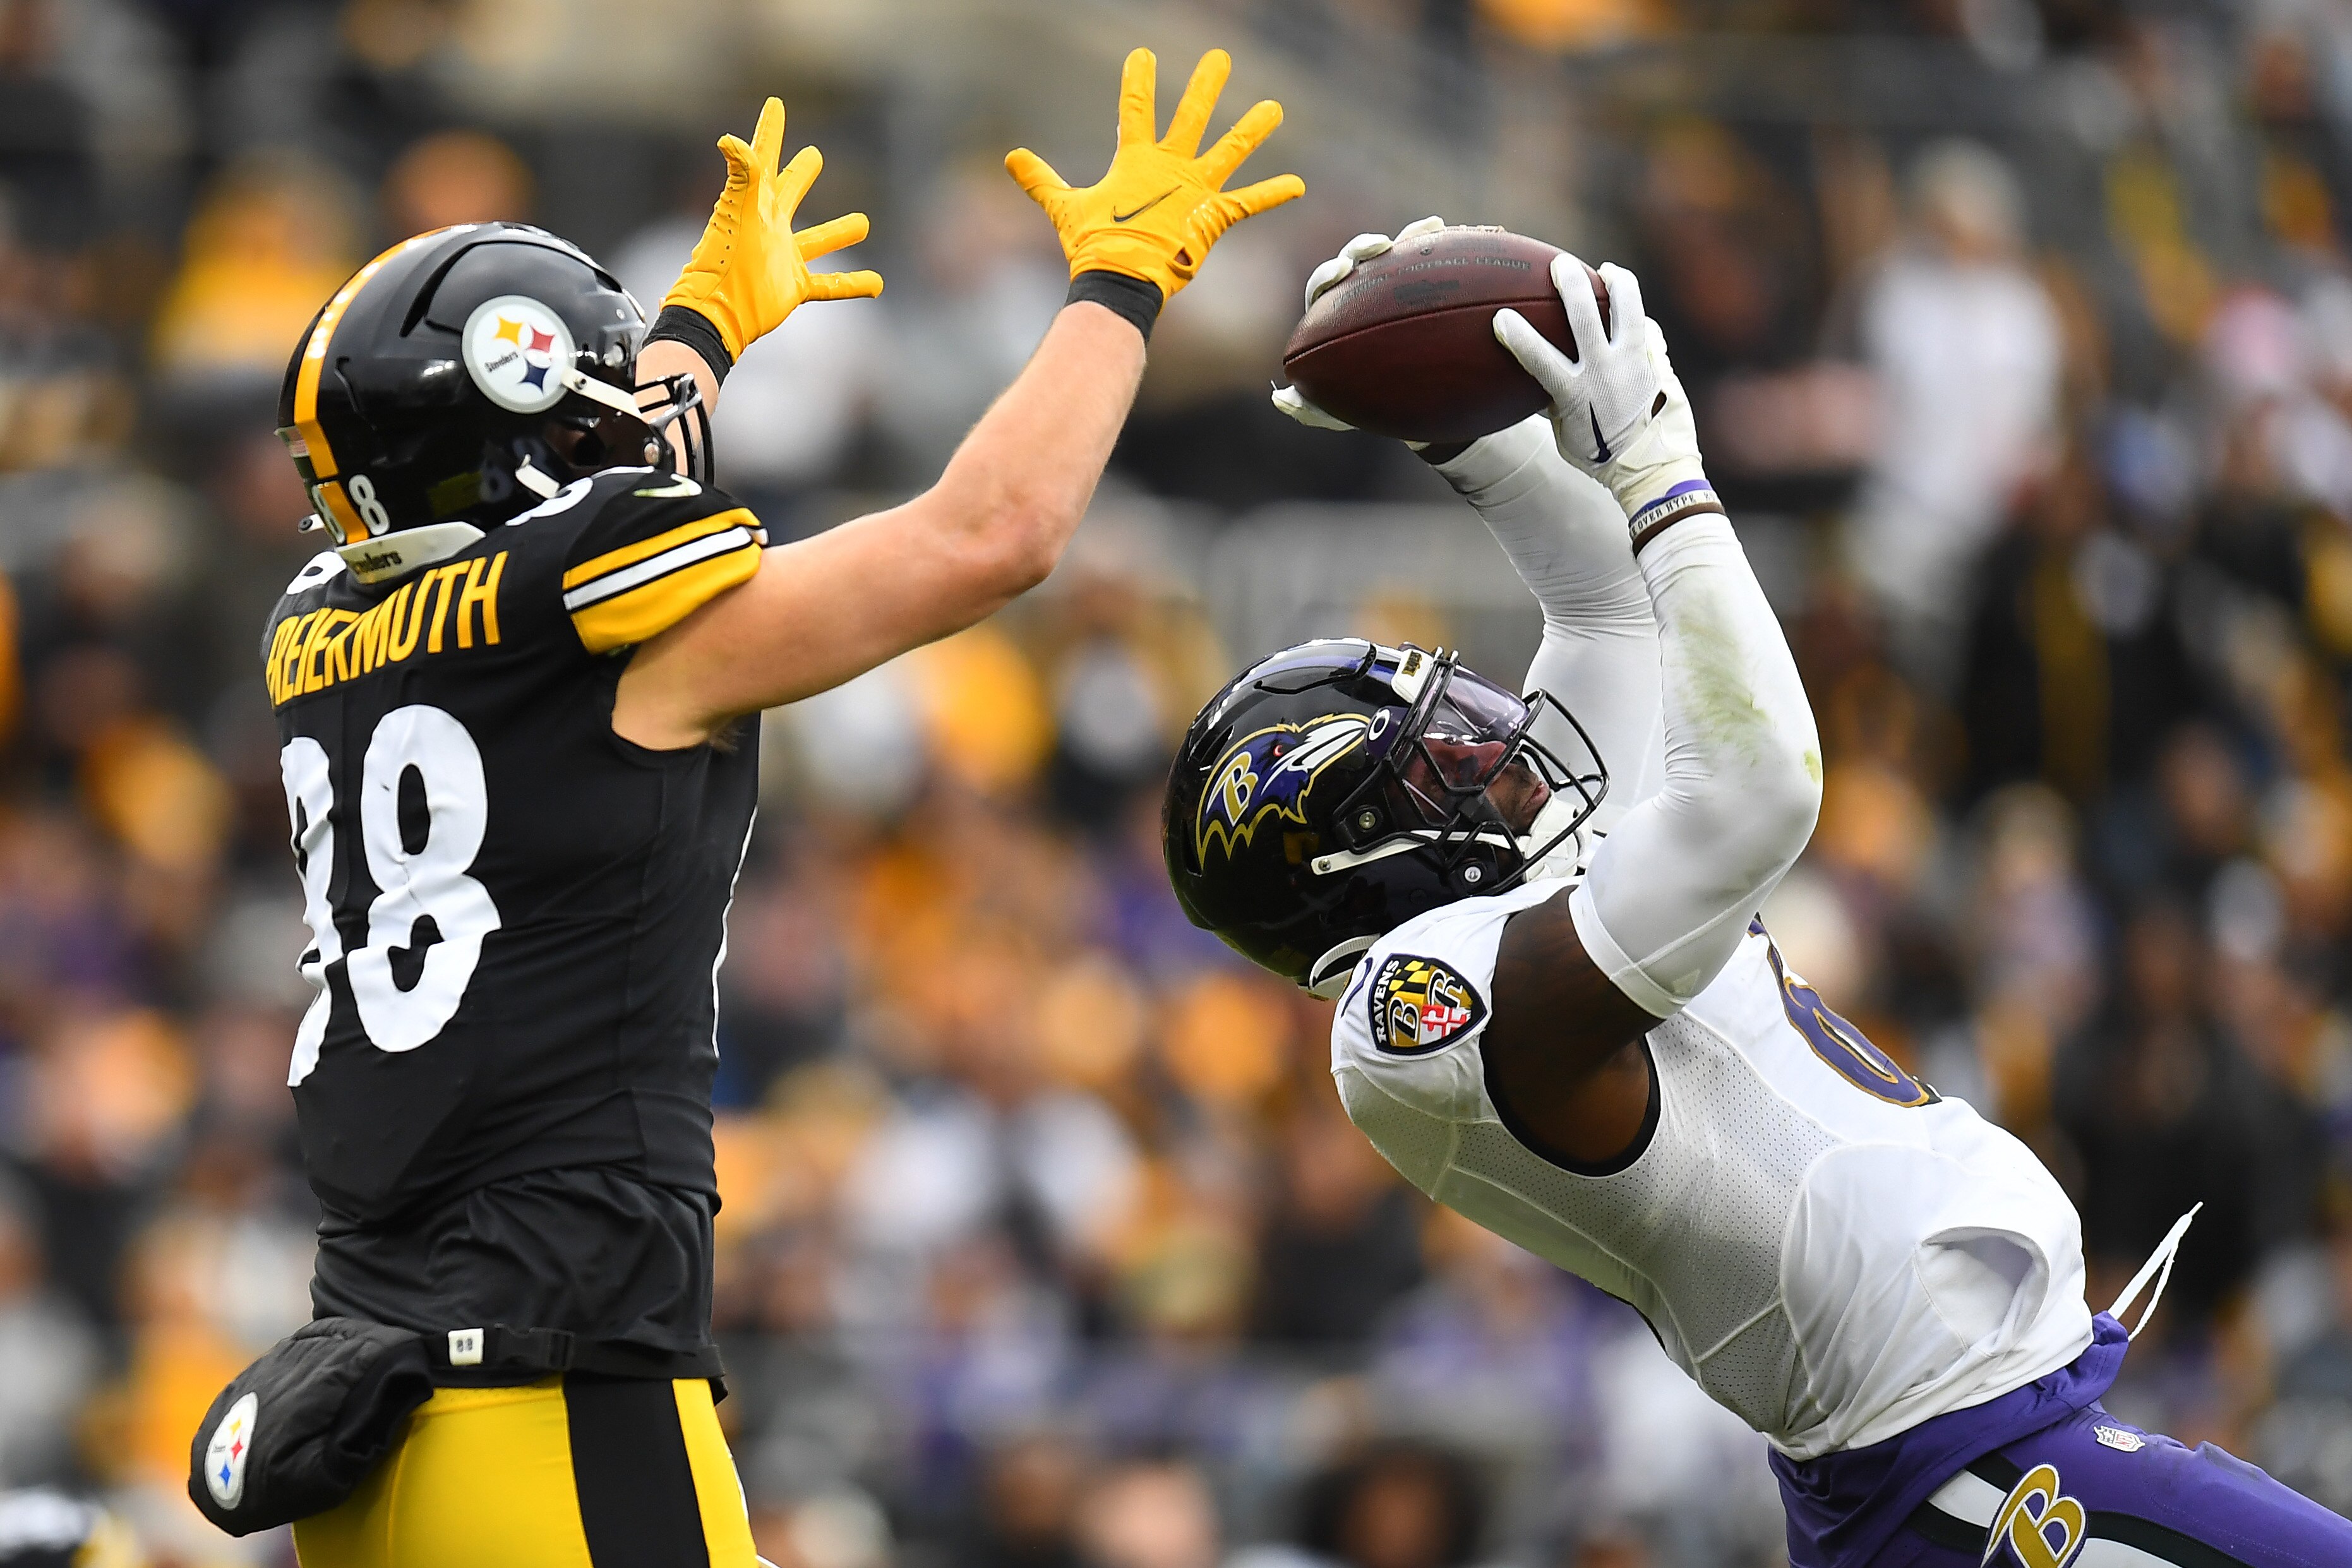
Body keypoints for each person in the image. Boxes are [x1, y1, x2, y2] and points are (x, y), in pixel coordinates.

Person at [1164, 218, 2352, 1568]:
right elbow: (1763, 791)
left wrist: (1458, 431)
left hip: (1976, 1441)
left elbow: (1605, 605)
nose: (1489, 756)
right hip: (1956, 1469)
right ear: (1345, 863)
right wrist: (1659, 464)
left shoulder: (1504, 910)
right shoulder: (1410, 1015)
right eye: (1431, 766)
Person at [248, 47, 1300, 1568]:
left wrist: (694, 332)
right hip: (560, 1396)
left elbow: (568, 488)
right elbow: (990, 536)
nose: (636, 430)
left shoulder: (318, 627)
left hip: (369, 1423)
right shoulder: (610, 628)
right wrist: (1119, 288)